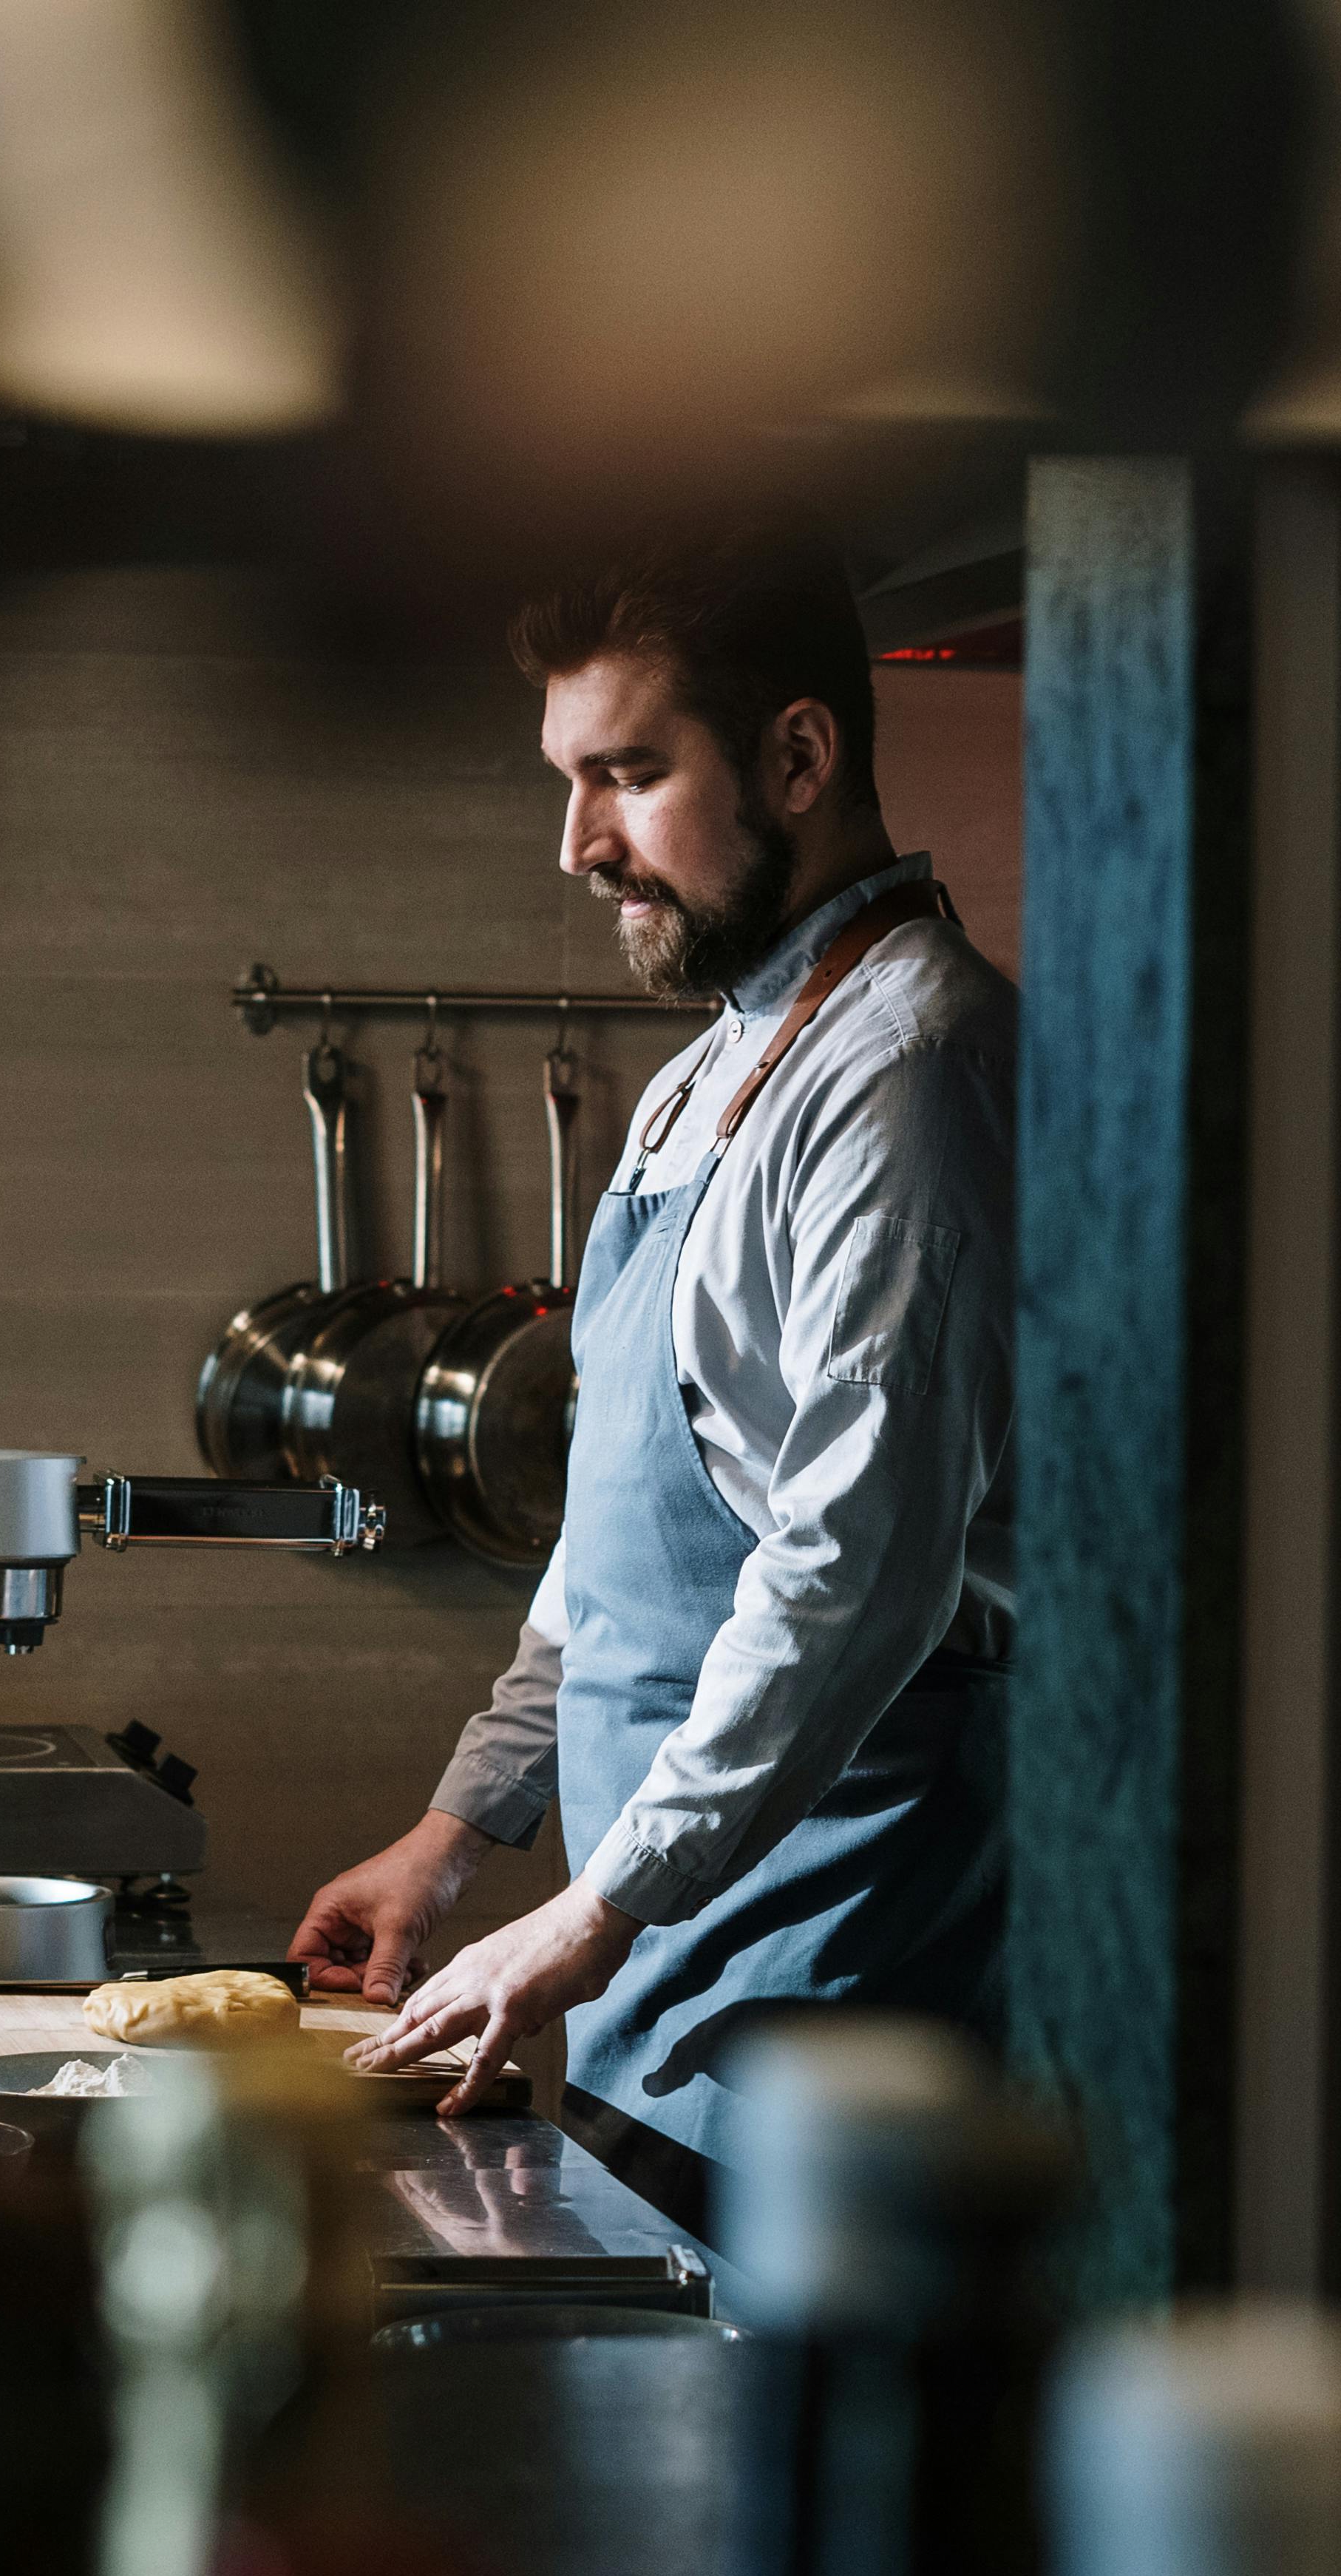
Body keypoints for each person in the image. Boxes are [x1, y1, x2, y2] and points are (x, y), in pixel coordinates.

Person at [289, 518, 1016, 2226]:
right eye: (567, 779)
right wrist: (461, 1833)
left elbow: (851, 1573)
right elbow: (620, 1531)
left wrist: (580, 1914)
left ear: (799, 753)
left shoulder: (910, 1071)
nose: (576, 845)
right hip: (656, 1980)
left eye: (624, 774)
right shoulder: (711, 1070)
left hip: (830, 1995)